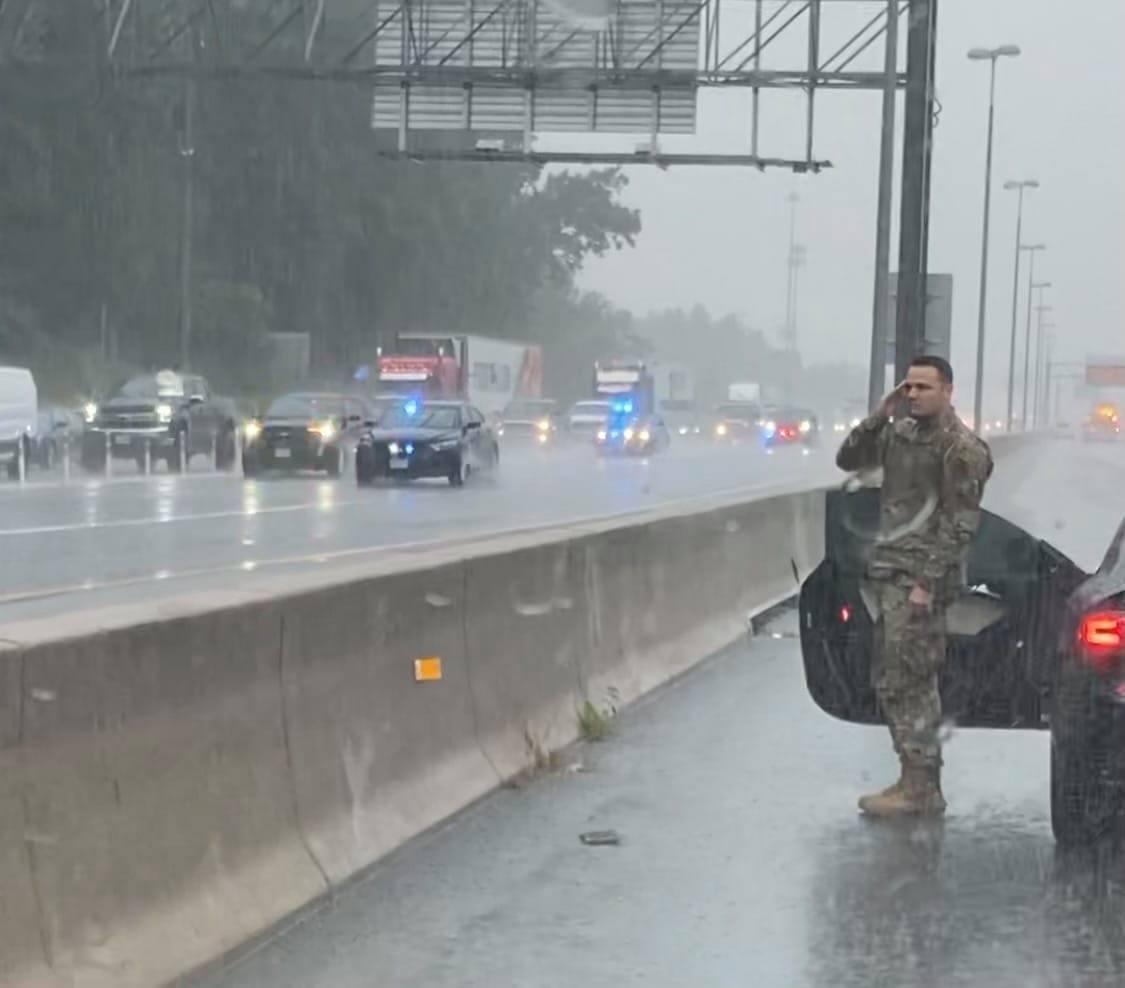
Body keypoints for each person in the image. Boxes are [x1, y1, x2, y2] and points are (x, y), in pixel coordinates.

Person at [836, 355, 993, 817]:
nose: (915, 395)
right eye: (909, 387)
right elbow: (848, 459)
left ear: (947, 391)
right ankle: (913, 778)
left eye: (925, 387)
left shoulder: (961, 450)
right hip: (889, 572)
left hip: (921, 580)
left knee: (912, 679)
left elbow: (959, 524)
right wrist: (879, 415)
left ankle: (921, 786)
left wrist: (927, 582)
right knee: (891, 678)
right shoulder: (897, 434)